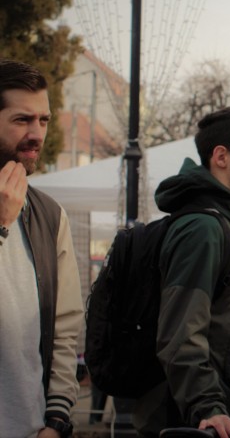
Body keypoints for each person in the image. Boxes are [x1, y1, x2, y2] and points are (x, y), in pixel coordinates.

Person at [133, 107, 230, 438]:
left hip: (219, 415)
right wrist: (208, 408)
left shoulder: (227, 225)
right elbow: (181, 333)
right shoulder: (203, 229)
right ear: (221, 157)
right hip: (195, 424)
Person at [0, 59, 84, 438]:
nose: (37, 134)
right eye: (22, 120)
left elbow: (65, 324)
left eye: (44, 120)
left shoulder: (50, 215)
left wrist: (56, 419)